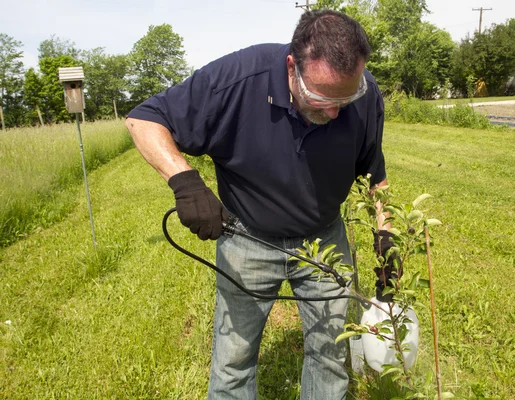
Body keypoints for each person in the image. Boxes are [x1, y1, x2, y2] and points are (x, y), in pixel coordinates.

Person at [126, 9, 398, 400]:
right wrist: (185, 182)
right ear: (292, 67)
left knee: (330, 355)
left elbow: (375, 172)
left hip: (324, 241)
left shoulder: (364, 93)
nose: (335, 112)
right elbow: (144, 119)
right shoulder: (237, 80)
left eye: (346, 98)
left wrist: (386, 232)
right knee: (234, 360)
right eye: (320, 97)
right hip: (247, 240)